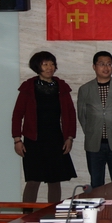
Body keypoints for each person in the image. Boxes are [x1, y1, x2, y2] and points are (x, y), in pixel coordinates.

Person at [12, 51, 77, 202]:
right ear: (37, 67)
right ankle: (27, 215)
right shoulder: (28, 87)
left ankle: (52, 213)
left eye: (52, 64)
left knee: (55, 180)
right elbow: (17, 114)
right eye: (45, 64)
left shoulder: (61, 87)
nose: (49, 68)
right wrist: (17, 139)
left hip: (55, 139)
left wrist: (69, 138)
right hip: (33, 140)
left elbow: (70, 114)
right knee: (33, 181)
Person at [77, 51, 112, 188]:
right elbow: (82, 115)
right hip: (94, 145)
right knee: (96, 184)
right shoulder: (85, 89)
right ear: (94, 66)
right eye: (102, 64)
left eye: (109, 64)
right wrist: (92, 132)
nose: (106, 67)